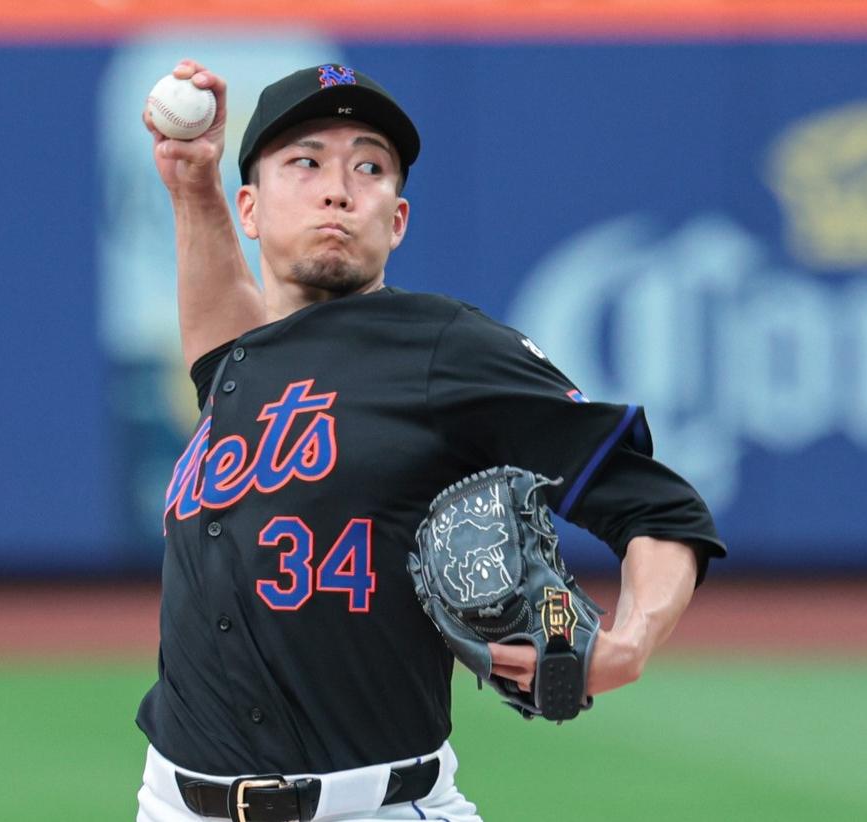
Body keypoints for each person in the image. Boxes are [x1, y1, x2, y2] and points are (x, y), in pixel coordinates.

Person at [135, 59, 726, 822]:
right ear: (249, 209)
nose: (338, 187)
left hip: (373, 805)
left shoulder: (444, 348)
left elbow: (657, 505)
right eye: (304, 162)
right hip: (173, 803)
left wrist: (631, 639)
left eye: (369, 167)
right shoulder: (245, 367)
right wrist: (190, 182)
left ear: (397, 219)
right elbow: (218, 348)